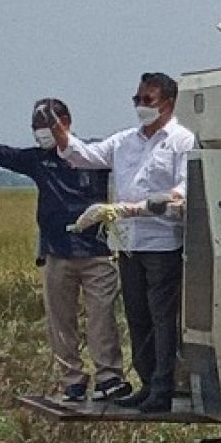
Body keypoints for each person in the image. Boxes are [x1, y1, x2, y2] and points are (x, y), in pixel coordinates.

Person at [0, 95, 130, 403]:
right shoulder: (37, 159)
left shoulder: (93, 154)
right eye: (36, 126)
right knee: (60, 320)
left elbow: (133, 160)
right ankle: (72, 380)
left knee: (102, 317)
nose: (41, 131)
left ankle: (109, 378)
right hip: (56, 251)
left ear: (66, 124)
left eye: (48, 124)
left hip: (97, 251)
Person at [51, 73, 197, 414]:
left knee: (163, 318)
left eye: (148, 100)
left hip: (162, 242)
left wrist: (143, 205)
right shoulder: (124, 141)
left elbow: (184, 189)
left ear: (168, 103)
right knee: (137, 315)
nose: (141, 106)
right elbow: (82, 155)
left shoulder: (182, 140)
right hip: (129, 241)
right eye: (137, 99)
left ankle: (163, 386)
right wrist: (57, 129)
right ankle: (147, 383)